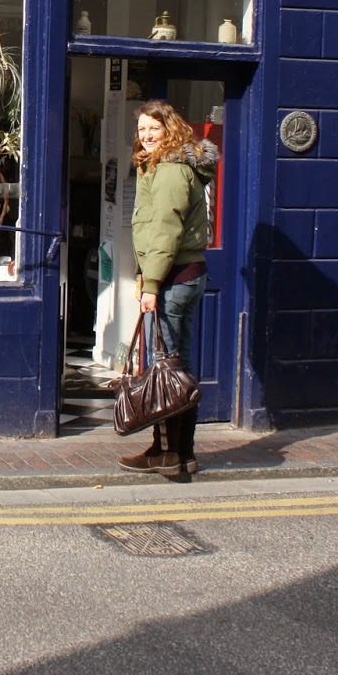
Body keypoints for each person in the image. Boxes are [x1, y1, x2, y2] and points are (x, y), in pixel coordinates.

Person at [119, 99, 220, 481]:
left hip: (173, 279)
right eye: (142, 129)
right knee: (177, 368)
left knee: (164, 368)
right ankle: (181, 452)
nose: (146, 135)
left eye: (153, 128)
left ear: (169, 129)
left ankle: (167, 453)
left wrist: (152, 284)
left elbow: (165, 231)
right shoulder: (163, 165)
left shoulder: (171, 170)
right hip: (181, 276)